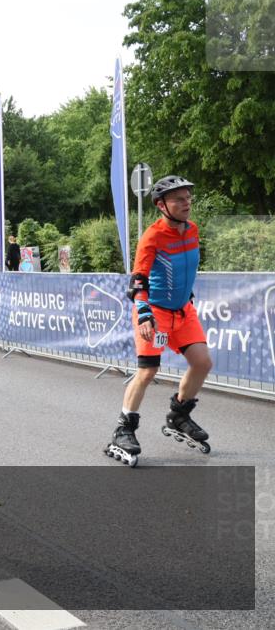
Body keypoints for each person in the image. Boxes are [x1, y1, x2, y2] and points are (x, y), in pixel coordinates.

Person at [106, 176, 212, 467]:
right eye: (178, 199)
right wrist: (143, 314)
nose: (186, 202)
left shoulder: (192, 230)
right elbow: (138, 280)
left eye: (188, 197)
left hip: (183, 310)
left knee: (202, 362)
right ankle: (123, 429)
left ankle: (178, 415)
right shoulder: (152, 237)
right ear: (161, 205)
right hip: (154, 312)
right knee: (148, 371)